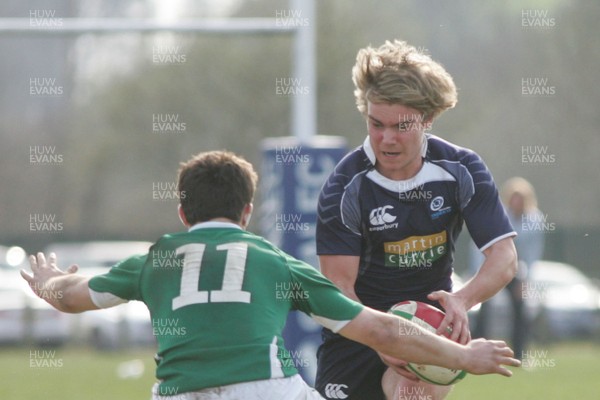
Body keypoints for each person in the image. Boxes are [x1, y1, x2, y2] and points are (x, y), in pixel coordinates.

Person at [21, 151, 520, 400]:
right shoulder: (272, 261)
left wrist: (45, 278)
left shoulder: (157, 260)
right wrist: (464, 355)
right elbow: (383, 329)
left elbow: (69, 297)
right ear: (246, 212)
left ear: (181, 213)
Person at [315, 40, 519, 400]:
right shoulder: (345, 186)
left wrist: (462, 300)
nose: (386, 139)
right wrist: (379, 337)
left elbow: (504, 257)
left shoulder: (460, 169)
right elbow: (338, 288)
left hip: (427, 328)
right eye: (376, 124)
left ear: (427, 119)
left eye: (401, 126)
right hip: (357, 332)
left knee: (413, 392)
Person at [471, 177, 544, 357]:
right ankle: (477, 350)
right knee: (483, 307)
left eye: (521, 198)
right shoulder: (498, 216)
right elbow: (479, 246)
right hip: (491, 267)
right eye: (514, 198)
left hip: (516, 270)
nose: (517, 202)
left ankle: (519, 354)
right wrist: (477, 274)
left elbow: (532, 254)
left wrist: (526, 280)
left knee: (521, 309)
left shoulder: (535, 220)